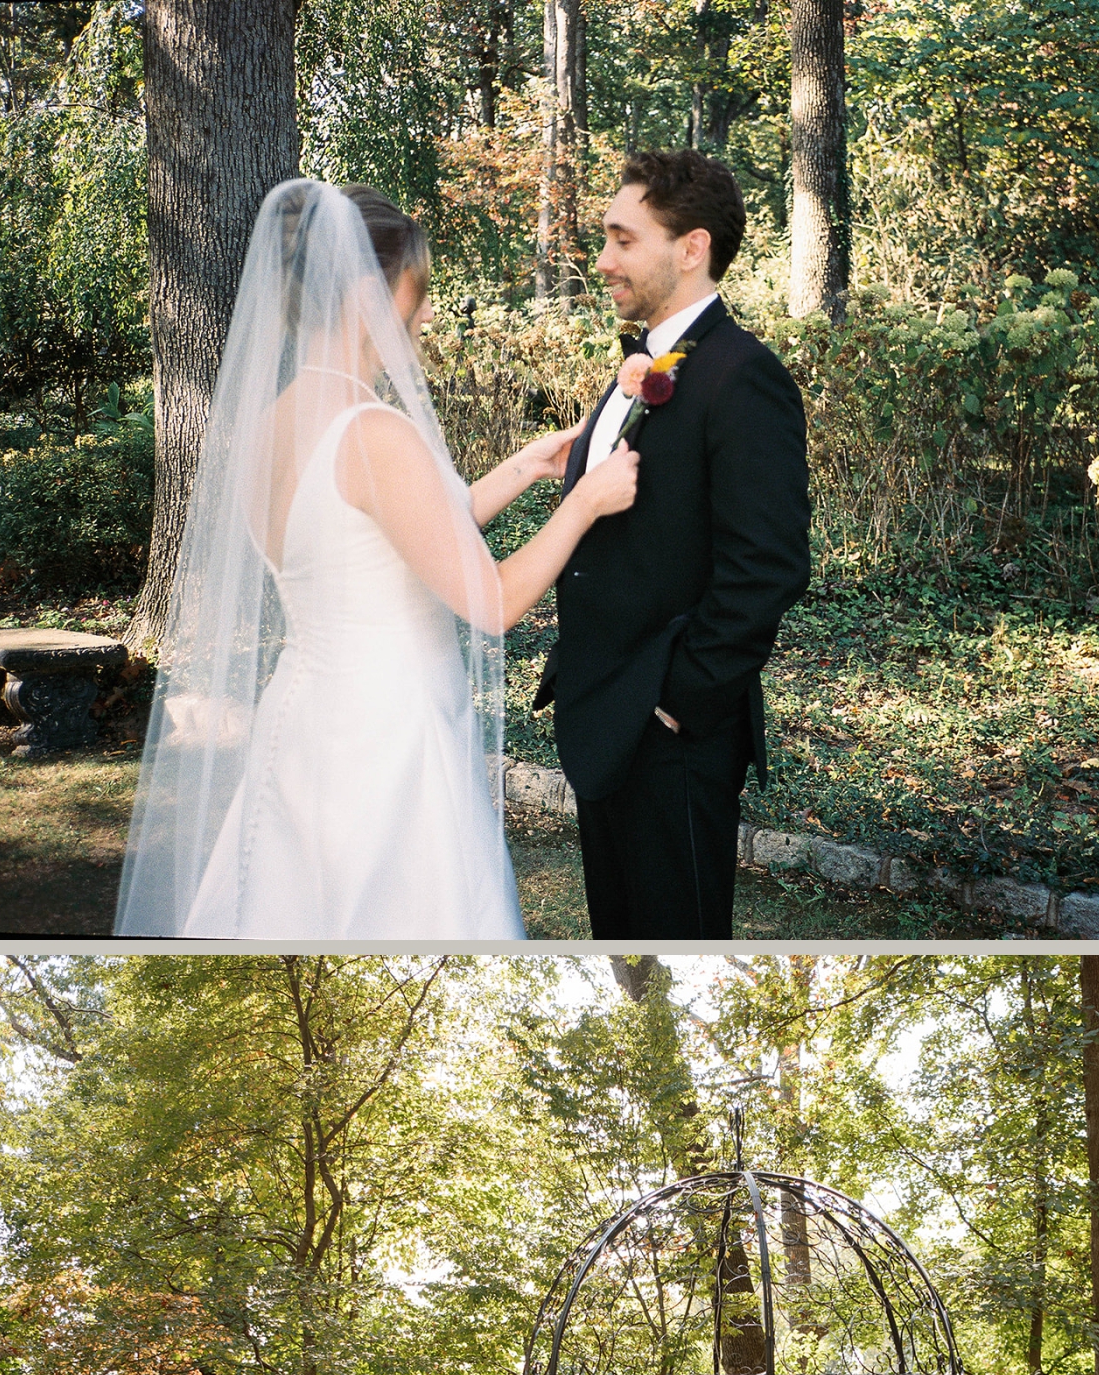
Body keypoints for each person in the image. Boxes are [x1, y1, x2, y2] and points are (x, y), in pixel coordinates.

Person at [115, 178, 638, 940]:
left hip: (305, 721)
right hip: (387, 739)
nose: (426, 312)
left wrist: (524, 468)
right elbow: (490, 601)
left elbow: (389, 539)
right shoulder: (374, 433)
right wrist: (584, 503)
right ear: (368, 294)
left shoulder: (267, 425)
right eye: (416, 290)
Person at [534, 149, 812, 940]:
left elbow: (768, 565)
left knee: (679, 940)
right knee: (620, 940)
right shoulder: (640, 366)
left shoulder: (743, 375)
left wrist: (679, 701)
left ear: (691, 248)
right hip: (601, 721)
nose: (603, 259)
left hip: (670, 740)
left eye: (623, 239)